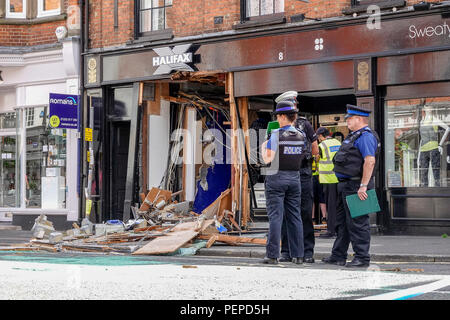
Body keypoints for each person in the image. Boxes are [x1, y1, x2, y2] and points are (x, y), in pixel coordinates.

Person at [322, 104, 380, 268]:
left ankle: (362, 257)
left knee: (358, 223)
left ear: (359, 119)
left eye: (350, 118)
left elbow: (370, 161)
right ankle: (338, 255)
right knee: (342, 222)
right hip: (346, 185)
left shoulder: (366, 136)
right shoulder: (354, 136)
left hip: (357, 185)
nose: (347, 120)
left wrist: (363, 185)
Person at [275, 91, 319, 264]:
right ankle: (286, 250)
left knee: (304, 212)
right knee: (286, 213)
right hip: (286, 172)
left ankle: (307, 251)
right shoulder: (276, 126)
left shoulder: (304, 124)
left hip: (303, 172)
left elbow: (315, 147)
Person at [261, 100, 305, 264]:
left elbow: (268, 159)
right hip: (295, 178)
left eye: (278, 116)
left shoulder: (276, 135)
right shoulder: (301, 135)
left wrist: (263, 147)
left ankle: (272, 255)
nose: (278, 119)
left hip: (276, 177)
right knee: (295, 217)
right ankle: (298, 255)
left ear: (283, 117)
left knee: (276, 217)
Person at [316, 127, 341, 238]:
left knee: (330, 206)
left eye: (318, 136)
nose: (318, 139)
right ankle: (339, 229)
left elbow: (315, 158)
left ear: (321, 135)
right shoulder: (337, 142)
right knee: (338, 205)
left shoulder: (322, 146)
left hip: (328, 179)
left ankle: (331, 231)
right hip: (338, 178)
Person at [418, 106, 450, 187]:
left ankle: (437, 192)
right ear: (424, 109)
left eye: (430, 107)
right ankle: (425, 192)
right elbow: (421, 139)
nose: (428, 108)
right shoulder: (421, 121)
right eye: (426, 107)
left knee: (436, 173)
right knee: (424, 174)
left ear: (432, 109)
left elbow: (447, 129)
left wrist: (440, 144)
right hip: (423, 149)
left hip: (433, 148)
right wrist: (419, 155)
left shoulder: (435, 119)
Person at [312, 157, 327, 224]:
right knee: (313, 198)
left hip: (320, 175)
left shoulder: (320, 148)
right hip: (313, 175)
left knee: (321, 197)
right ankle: (313, 219)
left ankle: (324, 218)